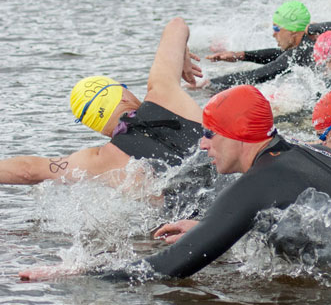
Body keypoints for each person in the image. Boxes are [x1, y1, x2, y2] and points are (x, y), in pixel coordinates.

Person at [19, 85, 331, 303]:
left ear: (238, 137)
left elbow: (167, 269)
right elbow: (300, 217)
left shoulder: (261, 180)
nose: (202, 145)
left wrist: (80, 274)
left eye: (210, 134)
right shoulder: (298, 155)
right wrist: (210, 225)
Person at [0, 18, 204, 187]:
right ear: (123, 95)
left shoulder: (100, 160)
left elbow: (27, 170)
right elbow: (176, 25)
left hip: (202, 221)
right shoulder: (164, 91)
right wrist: (182, 55)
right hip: (229, 187)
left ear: (100, 129)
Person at [206, 1, 331, 89]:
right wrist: (242, 55)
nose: (273, 33)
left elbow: (258, 75)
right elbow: (280, 58)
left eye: (277, 27)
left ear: (293, 31)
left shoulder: (301, 52)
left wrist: (208, 84)